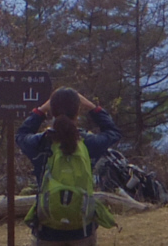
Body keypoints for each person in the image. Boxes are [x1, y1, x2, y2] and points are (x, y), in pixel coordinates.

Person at [17, 88, 122, 246]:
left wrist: (40, 110)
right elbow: (113, 132)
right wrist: (93, 108)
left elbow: (21, 135)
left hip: (47, 230)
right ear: (78, 111)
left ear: (52, 111)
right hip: (82, 229)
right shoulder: (88, 143)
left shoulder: (41, 143)